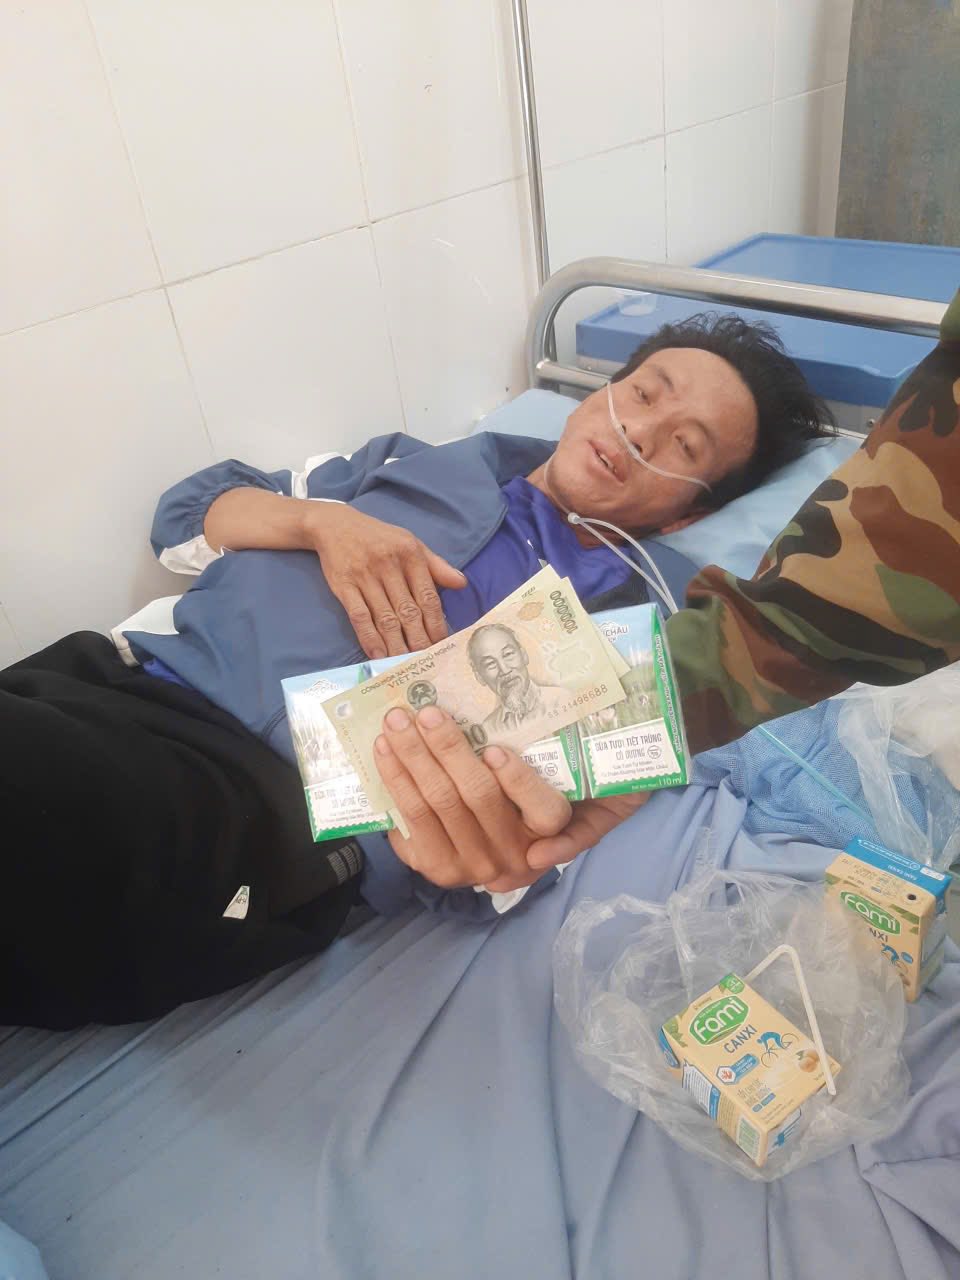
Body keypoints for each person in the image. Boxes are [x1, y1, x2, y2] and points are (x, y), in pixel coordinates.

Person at [111, 314, 829, 911]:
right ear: (598, 394)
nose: (641, 433)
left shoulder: (631, 644)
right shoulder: (409, 462)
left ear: (686, 516)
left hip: (266, 814)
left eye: (685, 445)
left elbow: (514, 863)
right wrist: (321, 524)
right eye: (643, 393)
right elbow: (185, 515)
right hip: (129, 676)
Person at [467, 623, 568, 735]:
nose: (504, 670)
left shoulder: (562, 699)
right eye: (490, 663)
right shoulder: (488, 730)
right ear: (479, 677)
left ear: (524, 655)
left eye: (508, 654)